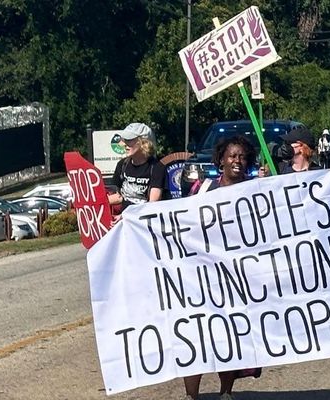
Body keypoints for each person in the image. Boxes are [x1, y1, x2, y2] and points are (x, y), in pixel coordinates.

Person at [182, 135, 263, 399]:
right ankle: (191, 395)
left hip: (237, 277)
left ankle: (225, 391)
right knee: (197, 336)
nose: (237, 161)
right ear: (221, 160)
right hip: (203, 275)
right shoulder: (202, 189)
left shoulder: (254, 191)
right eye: (232, 156)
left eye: (242, 156)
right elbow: (181, 221)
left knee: (229, 336)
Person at [107, 123, 166, 214]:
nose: (124, 144)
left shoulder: (157, 167)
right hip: (125, 221)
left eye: (129, 140)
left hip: (144, 222)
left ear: (143, 142)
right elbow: (119, 196)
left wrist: (128, 217)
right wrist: (93, 203)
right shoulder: (122, 165)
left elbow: (153, 203)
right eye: (124, 140)